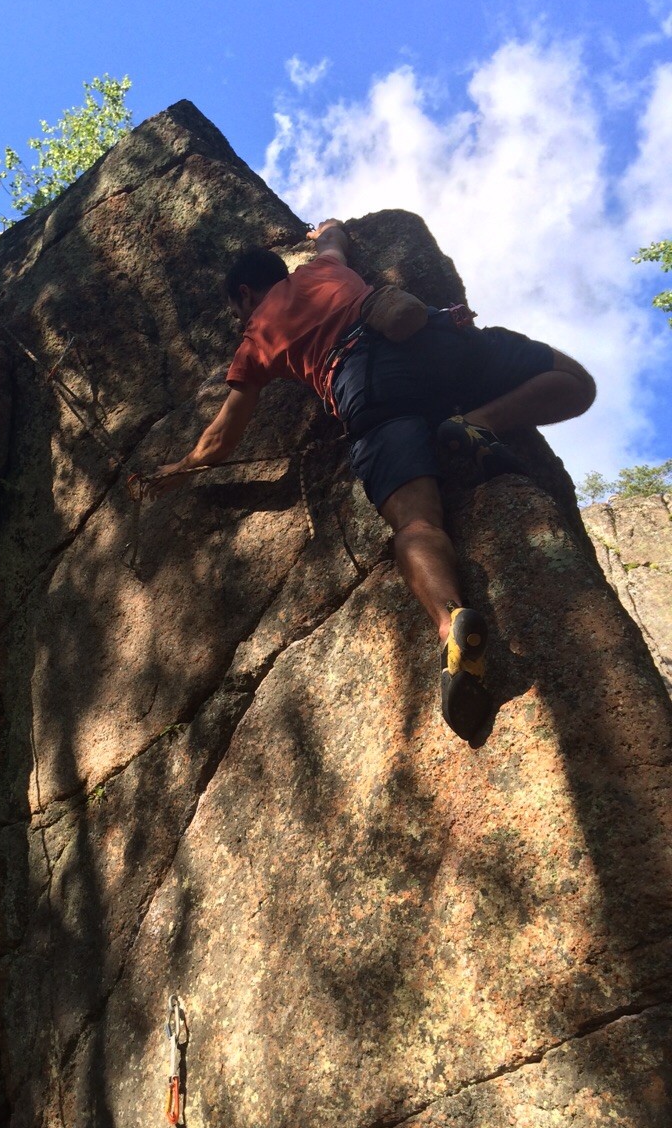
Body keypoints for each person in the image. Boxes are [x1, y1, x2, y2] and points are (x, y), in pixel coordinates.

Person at [145, 219, 596, 741]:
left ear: (245, 294)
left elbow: (221, 438)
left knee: (416, 523)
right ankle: (477, 424)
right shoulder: (322, 268)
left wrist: (177, 469)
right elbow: (335, 237)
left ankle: (451, 624)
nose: (239, 319)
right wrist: (325, 230)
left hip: (365, 388)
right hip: (428, 341)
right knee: (573, 380)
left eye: (236, 310)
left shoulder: (255, 339)